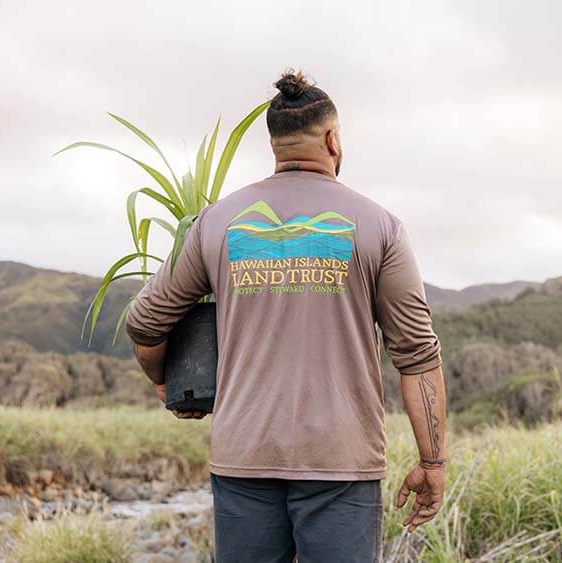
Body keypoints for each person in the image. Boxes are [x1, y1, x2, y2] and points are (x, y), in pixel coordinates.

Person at [124, 69, 447, 562]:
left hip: (243, 459)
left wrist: (165, 384)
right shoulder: (381, 226)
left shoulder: (217, 221)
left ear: (274, 146)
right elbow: (418, 357)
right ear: (333, 140)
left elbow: (145, 322)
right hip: (342, 464)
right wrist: (432, 460)